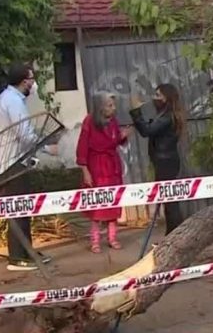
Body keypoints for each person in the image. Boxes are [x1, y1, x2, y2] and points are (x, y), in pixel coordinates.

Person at [0, 62, 56, 271]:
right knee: (18, 211)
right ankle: (17, 257)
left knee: (23, 209)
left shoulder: (10, 99)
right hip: (13, 163)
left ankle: (27, 251)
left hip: (17, 161)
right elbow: (24, 135)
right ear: (23, 81)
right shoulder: (12, 101)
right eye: (31, 80)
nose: (33, 84)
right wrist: (46, 147)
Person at [76, 91, 133, 253]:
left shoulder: (113, 122)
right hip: (97, 167)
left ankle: (112, 238)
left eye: (113, 105)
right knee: (97, 205)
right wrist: (85, 171)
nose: (113, 109)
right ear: (100, 107)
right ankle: (95, 240)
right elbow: (82, 148)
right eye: (110, 105)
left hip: (112, 166)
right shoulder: (89, 122)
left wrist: (123, 136)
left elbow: (114, 141)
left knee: (113, 203)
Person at [129, 83, 187, 235]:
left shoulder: (168, 116)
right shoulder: (165, 114)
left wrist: (136, 111)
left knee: (171, 201)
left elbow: (147, 131)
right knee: (169, 200)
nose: (155, 98)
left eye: (158, 95)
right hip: (165, 161)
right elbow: (152, 129)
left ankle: (176, 234)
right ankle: (172, 233)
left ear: (167, 98)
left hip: (166, 162)